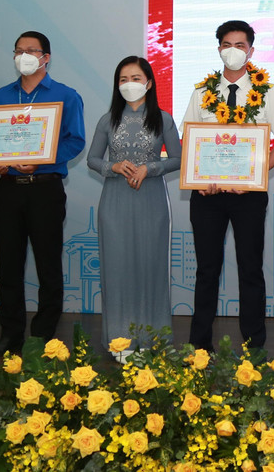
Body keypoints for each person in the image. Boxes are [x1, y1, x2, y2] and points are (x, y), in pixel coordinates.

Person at [184, 20, 274, 354]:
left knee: (250, 268)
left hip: (249, 196)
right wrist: (199, 178)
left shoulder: (267, 92)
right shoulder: (201, 93)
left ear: (251, 51)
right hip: (207, 196)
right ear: (219, 49)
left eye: (240, 45)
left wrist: (258, 174)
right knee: (206, 270)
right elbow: (188, 137)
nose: (233, 51)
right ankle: (199, 347)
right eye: (227, 45)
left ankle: (254, 347)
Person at [0, 31, 86, 355]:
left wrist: (43, 160)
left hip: (46, 189)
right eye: (19, 50)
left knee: (48, 266)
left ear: (46, 57)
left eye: (31, 50)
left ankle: (43, 334)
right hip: (9, 190)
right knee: (9, 266)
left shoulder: (65, 95)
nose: (24, 56)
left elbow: (75, 141)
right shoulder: (2, 96)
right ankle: (10, 333)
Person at [89, 56, 182, 355]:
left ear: (149, 83)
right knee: (116, 269)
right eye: (123, 79)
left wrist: (150, 168)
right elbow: (93, 159)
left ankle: (152, 340)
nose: (129, 84)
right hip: (114, 201)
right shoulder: (107, 120)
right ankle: (120, 342)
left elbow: (178, 159)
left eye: (136, 78)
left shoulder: (163, 119)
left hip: (152, 200)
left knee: (151, 268)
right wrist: (114, 167)